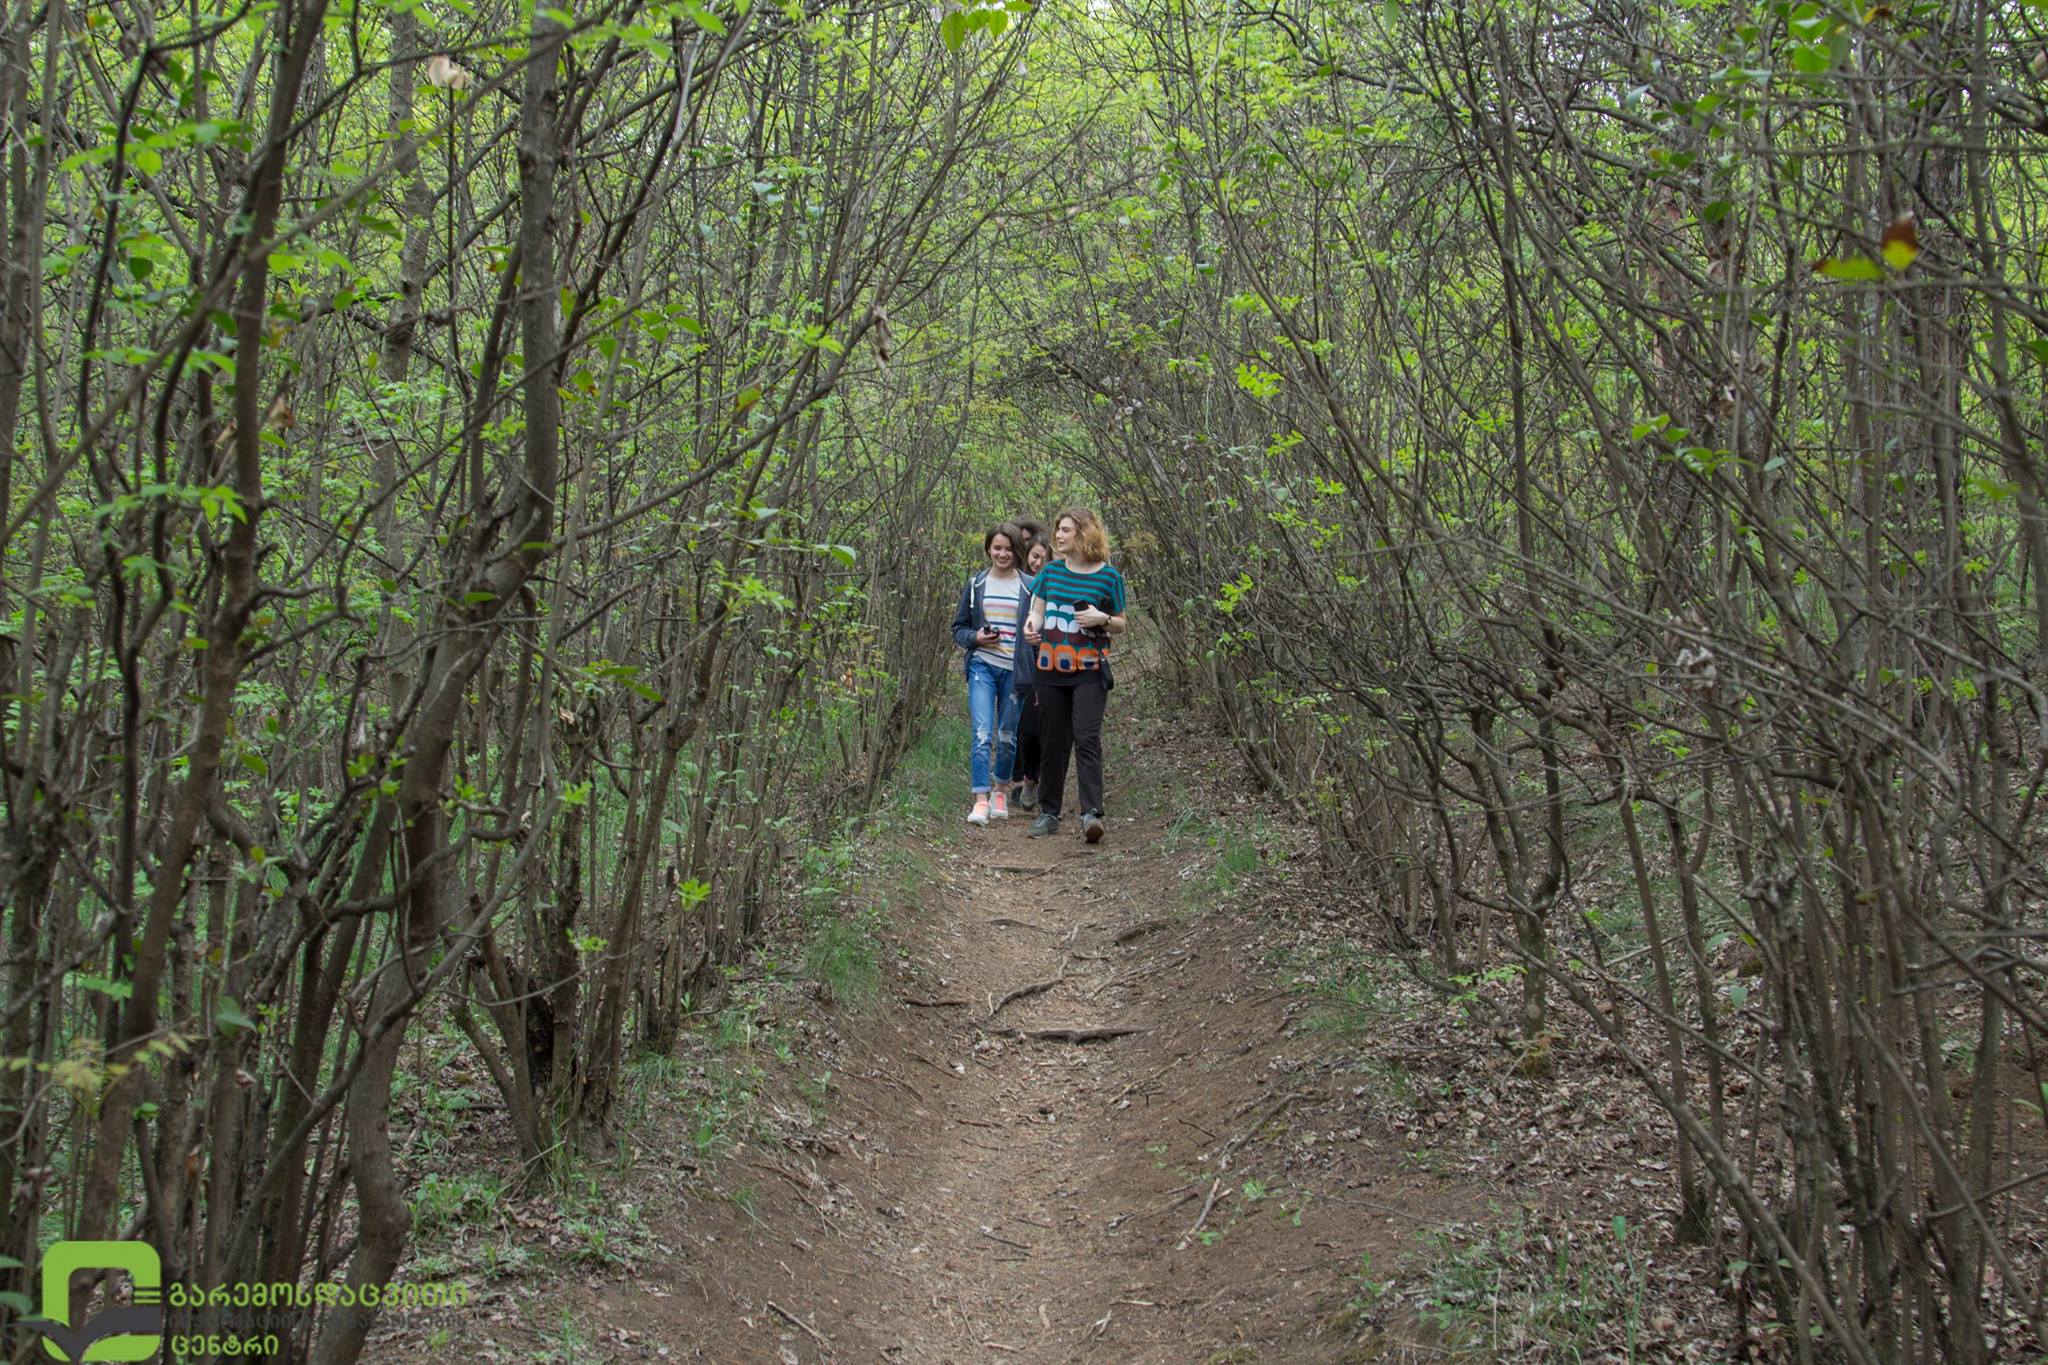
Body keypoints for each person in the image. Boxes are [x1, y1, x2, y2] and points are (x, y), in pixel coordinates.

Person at [1021, 508, 1128, 843]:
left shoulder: (1109, 577)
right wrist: (1030, 628)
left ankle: (1091, 813)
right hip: (1050, 669)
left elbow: (1121, 623)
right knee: (1053, 741)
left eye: (1065, 529)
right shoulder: (1051, 572)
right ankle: (1049, 813)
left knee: (1086, 737)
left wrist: (1101, 619)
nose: (1058, 535)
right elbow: (1037, 611)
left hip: (1090, 670)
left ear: (1085, 533)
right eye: (1058, 529)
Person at [949, 523, 1031, 825]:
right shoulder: (976, 584)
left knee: (1007, 735)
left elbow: (1039, 628)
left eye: (1008, 549)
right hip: (982, 665)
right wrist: (977, 637)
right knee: (982, 732)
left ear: (1017, 552)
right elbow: (959, 628)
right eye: (997, 548)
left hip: (1015, 671)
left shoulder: (1030, 587)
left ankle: (1000, 790)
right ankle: (980, 798)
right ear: (988, 550)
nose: (1002, 554)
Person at [1011, 538, 1053, 810]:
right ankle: (1024, 779)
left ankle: (1037, 781)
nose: (1037, 562)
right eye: (1034, 556)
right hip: (1021, 666)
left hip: (1049, 665)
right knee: (1023, 729)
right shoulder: (1020, 586)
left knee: (1040, 729)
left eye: (1042, 558)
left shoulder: (1054, 587)